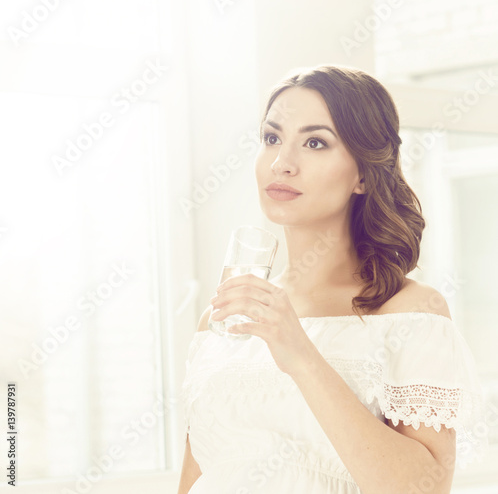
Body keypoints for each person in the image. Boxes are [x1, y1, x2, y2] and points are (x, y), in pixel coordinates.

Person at [177, 64, 487, 494]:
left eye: (315, 142)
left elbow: (423, 489)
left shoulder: (412, 313)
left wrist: (301, 356)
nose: (282, 163)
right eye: (271, 139)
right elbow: (198, 477)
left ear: (362, 173)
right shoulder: (226, 316)